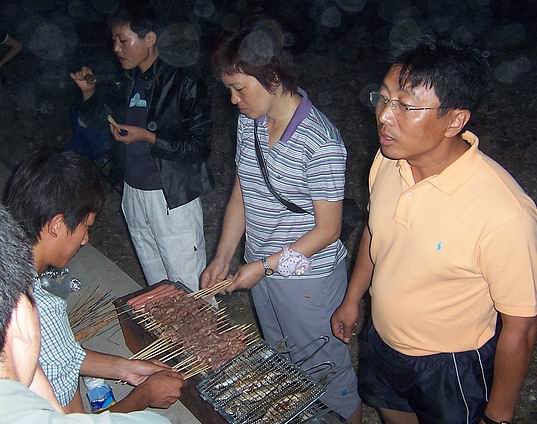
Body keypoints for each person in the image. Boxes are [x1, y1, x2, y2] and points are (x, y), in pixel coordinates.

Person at [331, 39, 537, 424]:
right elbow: (375, 233)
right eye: (383, 98)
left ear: (455, 121)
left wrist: (498, 415)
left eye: (406, 106)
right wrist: (353, 298)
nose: (384, 116)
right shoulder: (388, 160)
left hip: (449, 366)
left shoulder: (505, 213)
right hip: (382, 340)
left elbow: (521, 327)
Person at [201, 17, 361, 423]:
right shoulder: (250, 121)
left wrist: (265, 265)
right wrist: (223, 256)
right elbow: (243, 190)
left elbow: (328, 229)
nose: (233, 100)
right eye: (229, 89)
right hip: (261, 267)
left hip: (307, 279)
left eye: (240, 88)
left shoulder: (320, 142)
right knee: (283, 358)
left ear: (272, 77)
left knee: (326, 371)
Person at [5, 151, 184, 414]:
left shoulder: (16, 266)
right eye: (85, 227)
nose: (86, 240)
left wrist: (124, 368)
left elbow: (64, 353)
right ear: (56, 224)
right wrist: (144, 396)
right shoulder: (35, 310)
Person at [70, 3, 213, 290]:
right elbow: (97, 123)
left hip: (170, 197)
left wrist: (148, 137)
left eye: (124, 40)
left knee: (187, 282)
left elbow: (198, 147)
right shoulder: (127, 80)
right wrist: (89, 93)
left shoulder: (184, 82)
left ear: (149, 39)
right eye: (114, 40)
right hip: (133, 193)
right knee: (157, 284)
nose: (116, 48)